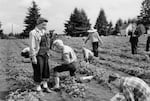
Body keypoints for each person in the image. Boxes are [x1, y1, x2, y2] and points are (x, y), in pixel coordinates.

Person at [29, 17, 52, 93]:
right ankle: (38, 87)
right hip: (37, 54)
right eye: (44, 24)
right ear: (39, 24)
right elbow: (32, 46)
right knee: (38, 70)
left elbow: (47, 43)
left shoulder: (44, 32)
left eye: (45, 25)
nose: (45, 26)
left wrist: (48, 52)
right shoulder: (33, 32)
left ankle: (45, 86)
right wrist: (33, 57)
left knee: (46, 70)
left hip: (45, 53)